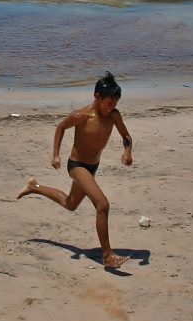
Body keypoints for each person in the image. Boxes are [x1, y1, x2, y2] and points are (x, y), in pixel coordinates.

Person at [17, 71, 134, 269]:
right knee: (102, 205)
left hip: (92, 166)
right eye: (108, 103)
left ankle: (34, 187)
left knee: (70, 203)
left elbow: (127, 137)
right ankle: (107, 256)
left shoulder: (114, 116)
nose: (111, 108)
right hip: (77, 166)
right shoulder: (81, 116)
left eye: (115, 104)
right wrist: (56, 155)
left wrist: (127, 152)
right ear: (97, 97)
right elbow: (61, 127)